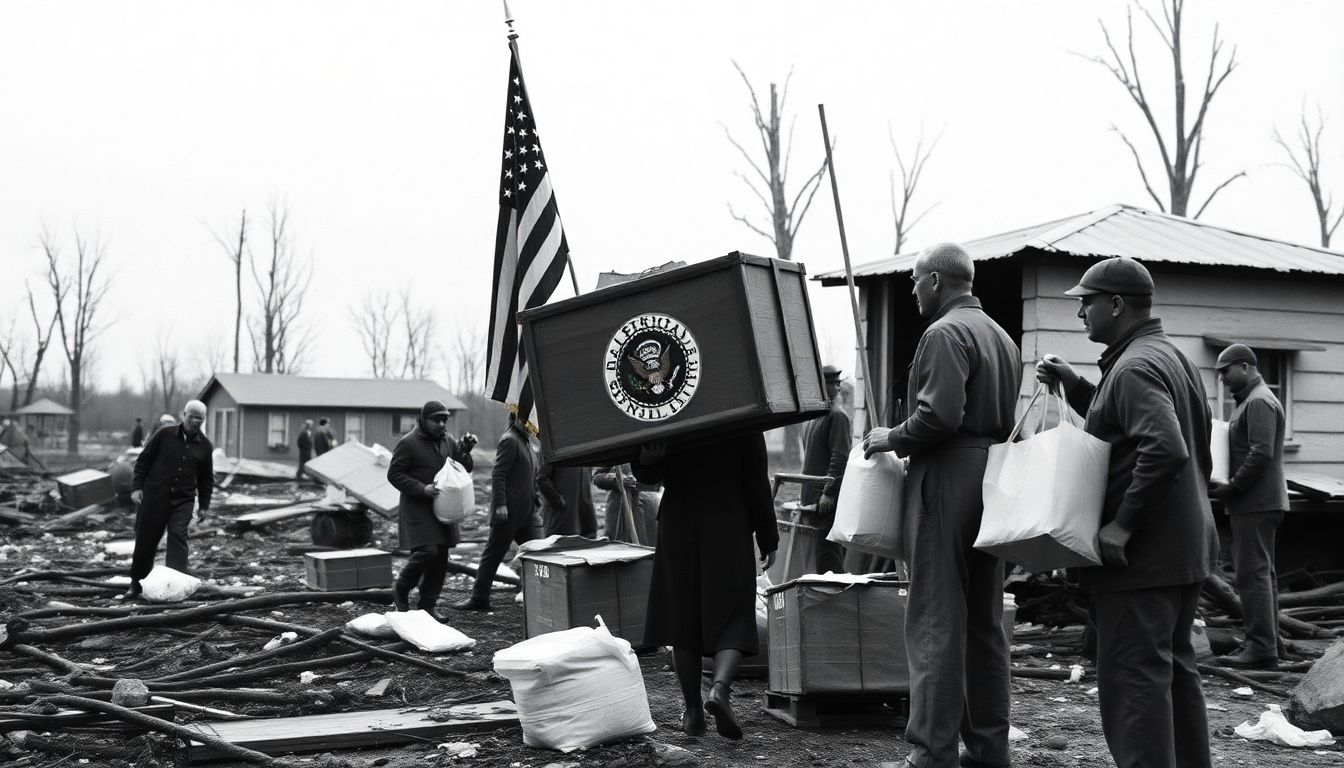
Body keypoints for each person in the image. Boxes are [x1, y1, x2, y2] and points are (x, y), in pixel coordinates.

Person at [1037, 256, 1216, 768]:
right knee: (1173, 673)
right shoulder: (1167, 357)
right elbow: (1122, 422)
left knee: (1134, 681)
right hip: (1182, 550)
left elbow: (1165, 447)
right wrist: (1074, 385)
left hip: (1144, 556)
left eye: (1086, 303)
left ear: (1115, 304)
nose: (1080, 315)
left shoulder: (1135, 367)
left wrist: (1122, 524)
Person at [862, 243, 1019, 768]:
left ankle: (932, 752)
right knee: (984, 621)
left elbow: (939, 417)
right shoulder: (1000, 336)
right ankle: (989, 751)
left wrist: (892, 437)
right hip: (992, 480)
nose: (910, 290)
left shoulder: (943, 333)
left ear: (935, 280)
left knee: (934, 618)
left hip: (948, 475)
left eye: (913, 281)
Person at [633, 434, 777, 740]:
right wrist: (768, 536)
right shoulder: (742, 410)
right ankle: (720, 690)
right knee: (734, 613)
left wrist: (647, 460)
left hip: (678, 521)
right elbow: (756, 481)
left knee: (682, 618)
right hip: (728, 521)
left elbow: (648, 474)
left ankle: (694, 713)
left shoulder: (671, 405)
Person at [1209, 343, 1288, 670]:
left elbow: (1260, 453)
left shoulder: (1258, 402)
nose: (1222, 379)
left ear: (1244, 366)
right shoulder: (1252, 400)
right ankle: (1271, 644)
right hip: (1257, 502)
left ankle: (1260, 649)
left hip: (1254, 502)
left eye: (1225, 372)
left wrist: (1232, 487)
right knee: (1261, 576)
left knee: (1252, 576)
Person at [386, 401, 476, 618]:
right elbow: (394, 474)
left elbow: (462, 469)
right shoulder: (408, 443)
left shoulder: (448, 441)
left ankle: (427, 606)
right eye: (436, 420)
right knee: (428, 551)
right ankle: (401, 588)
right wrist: (421, 488)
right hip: (418, 506)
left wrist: (465, 451)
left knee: (440, 557)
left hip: (444, 507)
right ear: (423, 420)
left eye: (444, 419)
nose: (442, 424)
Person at [125, 400, 214, 599]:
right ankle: (137, 585)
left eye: (199, 418)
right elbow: (143, 462)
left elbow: (206, 479)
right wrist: (137, 488)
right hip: (155, 497)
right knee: (146, 541)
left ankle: (175, 588)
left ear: (203, 420)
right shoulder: (164, 435)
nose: (195, 421)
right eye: (192, 416)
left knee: (177, 538)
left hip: (183, 501)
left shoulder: (205, 446)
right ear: (184, 415)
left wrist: (204, 506)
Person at [454, 412, 542, 611]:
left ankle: (536, 596)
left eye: (530, 421)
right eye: (523, 420)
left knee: (539, 552)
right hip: (508, 512)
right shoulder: (510, 441)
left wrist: (535, 499)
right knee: (493, 554)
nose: (528, 424)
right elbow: (499, 474)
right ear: (515, 419)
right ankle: (479, 598)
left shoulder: (527, 442)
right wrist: (501, 504)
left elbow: (530, 476)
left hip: (528, 512)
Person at [800, 364, 852, 574]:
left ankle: (837, 604)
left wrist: (829, 492)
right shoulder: (816, 416)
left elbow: (840, 456)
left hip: (825, 501)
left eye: (838, 383)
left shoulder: (837, 416)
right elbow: (813, 457)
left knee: (828, 559)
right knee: (819, 560)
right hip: (814, 499)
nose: (838, 388)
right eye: (833, 383)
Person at [593, 463, 659, 545]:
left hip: (647, 505)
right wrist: (617, 480)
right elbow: (597, 477)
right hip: (618, 506)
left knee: (648, 544)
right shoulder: (612, 452)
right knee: (616, 545)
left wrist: (639, 479)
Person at [536, 462, 597, 538]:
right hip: (561, 524)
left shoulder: (586, 453)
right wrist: (558, 502)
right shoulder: (554, 451)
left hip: (586, 526)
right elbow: (542, 478)